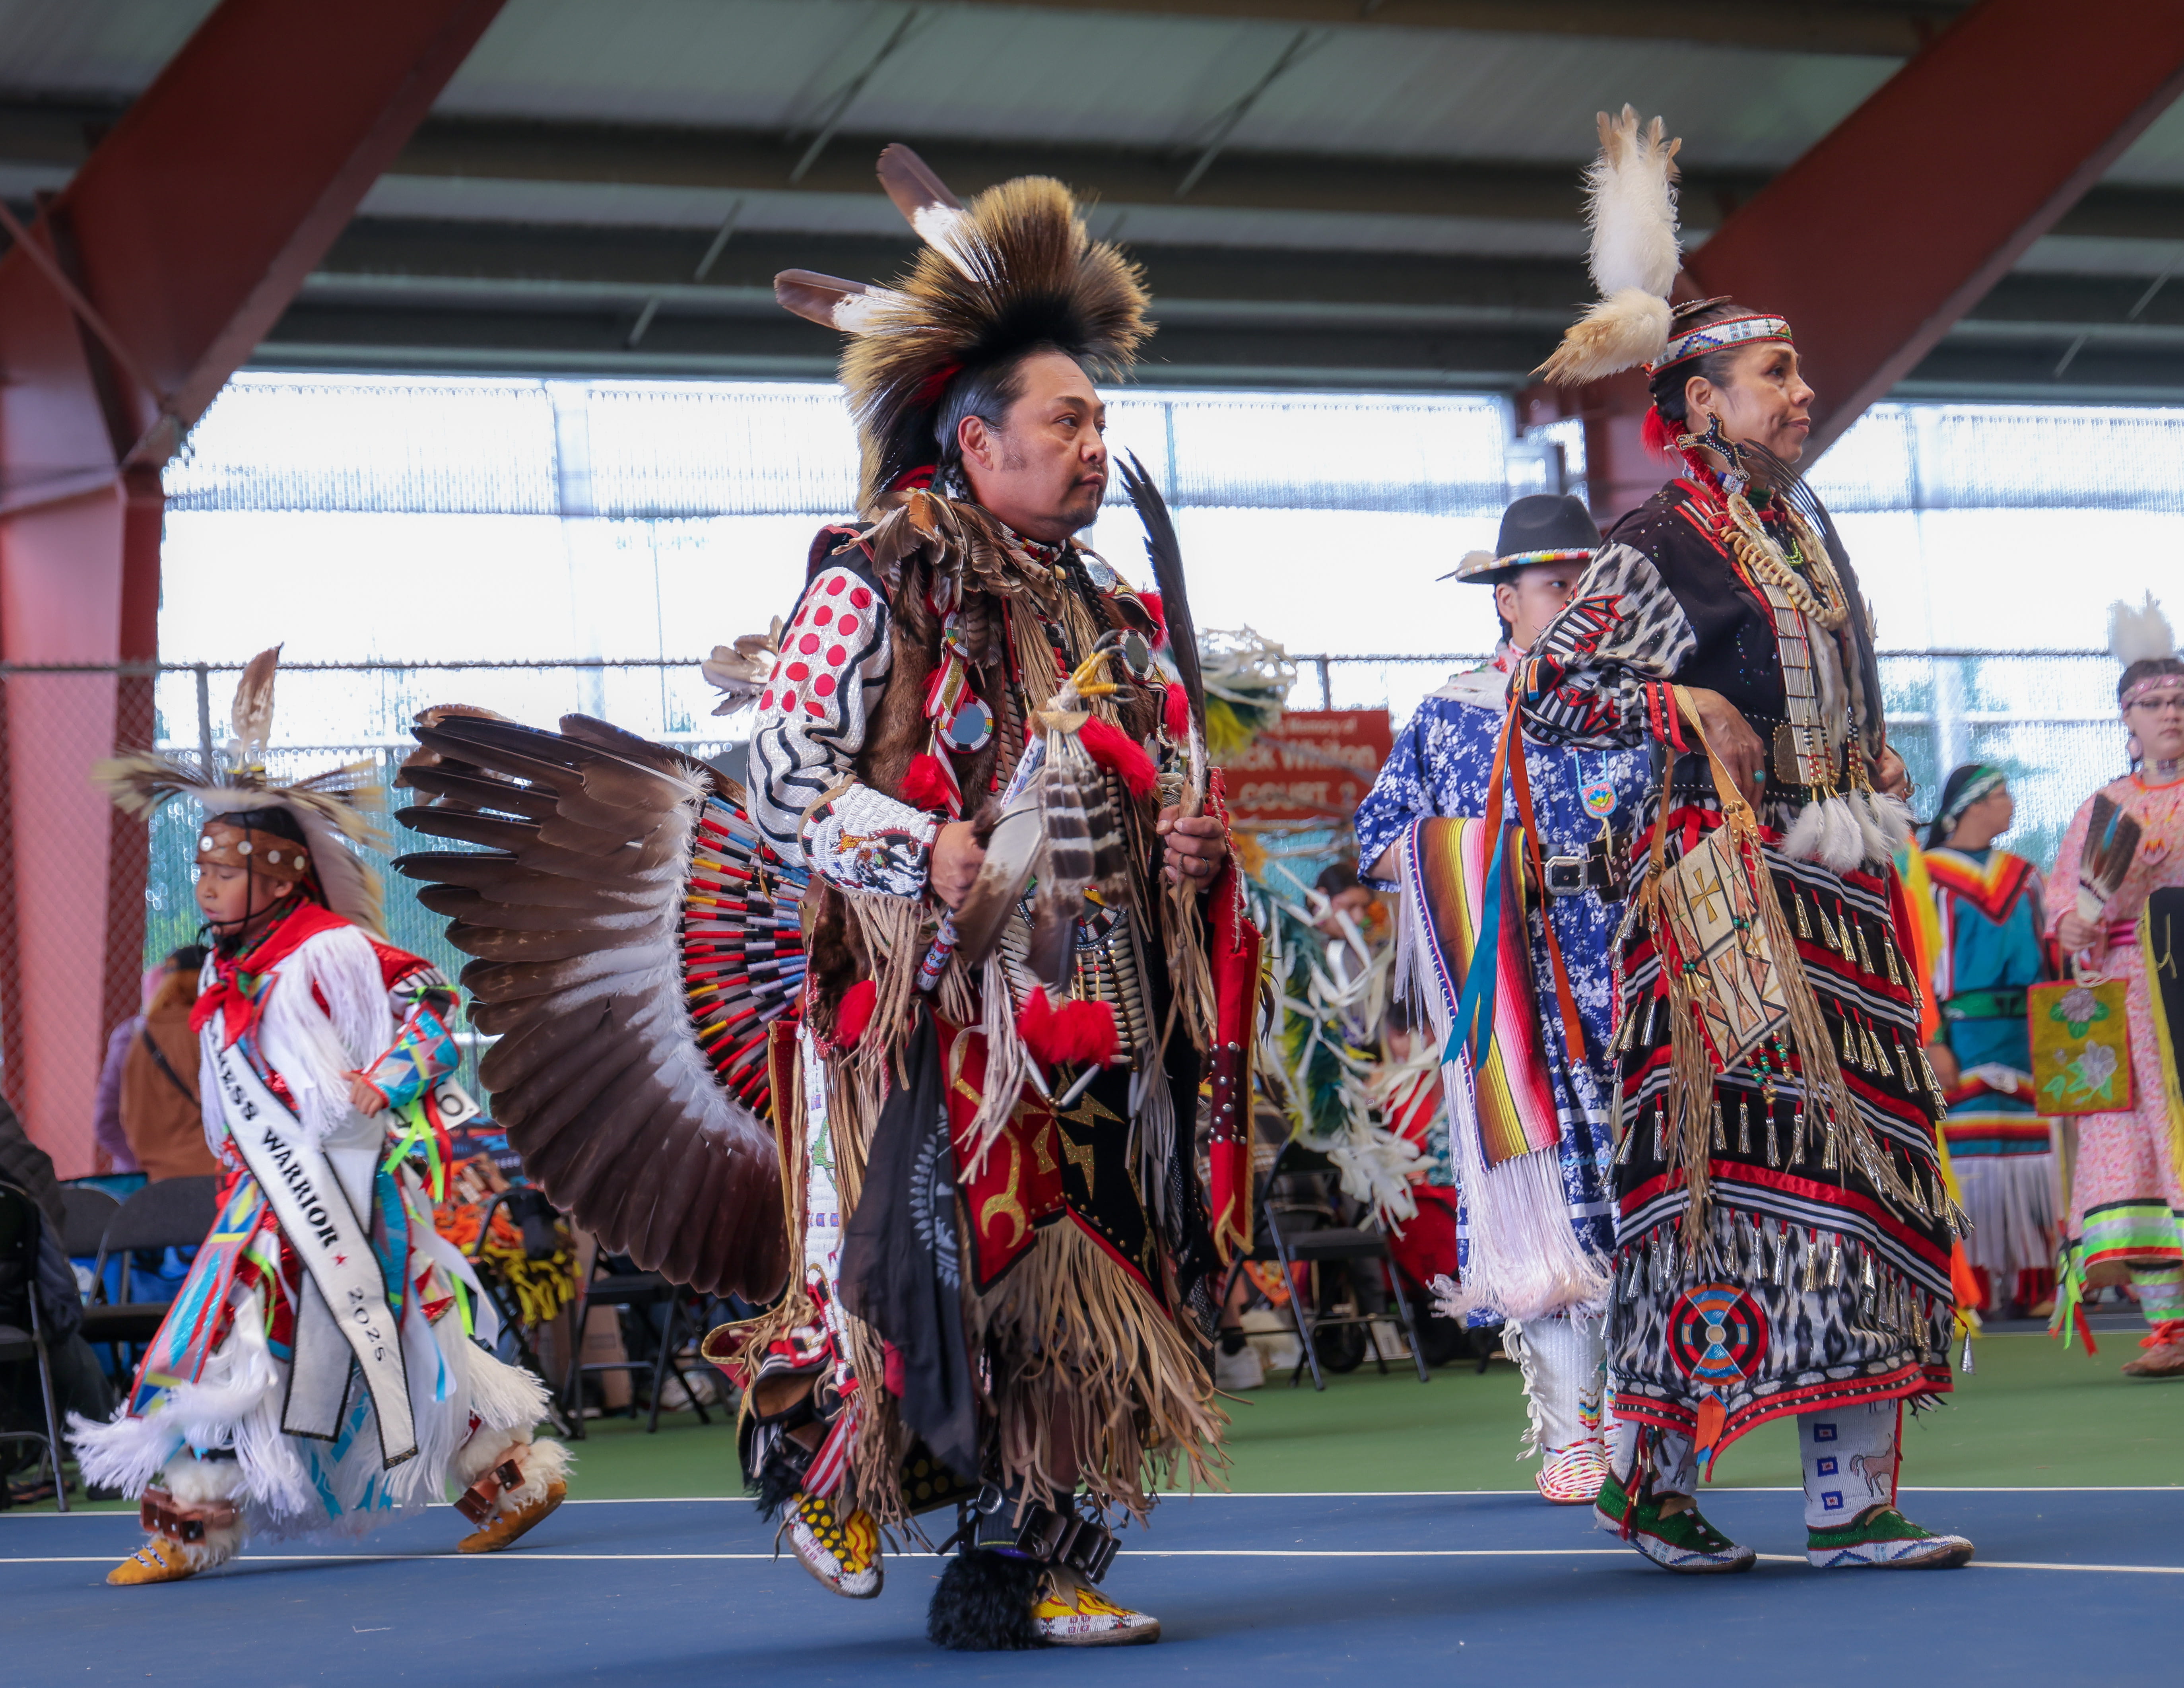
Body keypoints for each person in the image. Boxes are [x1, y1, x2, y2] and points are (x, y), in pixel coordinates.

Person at [728, 146, 1247, 1649]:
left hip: (1105, 1006)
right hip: (938, 1007)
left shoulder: (1110, 608)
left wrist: (1187, 857)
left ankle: (1040, 1556)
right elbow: (776, 782)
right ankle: (834, 1456)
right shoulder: (872, 579)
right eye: (1066, 419)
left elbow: (1152, 780)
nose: (1093, 446)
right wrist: (918, 846)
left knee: (1104, 1277)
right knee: (961, 1268)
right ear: (972, 438)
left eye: (1099, 421)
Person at [1513, 107, 1972, 1572]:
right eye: (1775, 374)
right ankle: (1651, 1476)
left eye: (1794, 371)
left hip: (1839, 901)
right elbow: (1550, 693)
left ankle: (1848, 1494)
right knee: (1725, 1192)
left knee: (1876, 1175)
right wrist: (1679, 695)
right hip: (1720, 912)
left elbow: (1822, 684)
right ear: (1698, 403)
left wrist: (1862, 747)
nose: (1802, 390)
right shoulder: (1659, 544)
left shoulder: (1809, 528)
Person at [70, 650, 569, 1583]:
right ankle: (198, 1520)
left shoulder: (332, 949)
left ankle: (502, 1480)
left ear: (279, 870)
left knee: (365, 1332)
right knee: (260, 1336)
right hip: (266, 1190)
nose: (206, 887)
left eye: (225, 871)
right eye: (202, 870)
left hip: (346, 1181)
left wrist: (387, 1079)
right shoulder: (225, 967)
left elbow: (431, 1000)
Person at [1353, 493, 1650, 1504]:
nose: (1576, 601)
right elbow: (1375, 840)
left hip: (1639, 989)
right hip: (1513, 1007)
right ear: (1507, 603)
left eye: (1591, 583)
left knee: (1641, 1208)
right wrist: (1476, 867)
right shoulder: (1454, 713)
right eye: (1556, 585)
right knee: (1544, 1213)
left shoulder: (1647, 704)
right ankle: (1570, 1424)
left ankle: (1635, 1417)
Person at [2048, 596, 2184, 1377]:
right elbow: (2068, 898)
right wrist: (2070, 921)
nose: (2170, 713)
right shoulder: (2105, 806)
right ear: (2126, 717)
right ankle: (2167, 1326)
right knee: (2134, 1150)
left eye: (2179, 701)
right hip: (2132, 998)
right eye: (2153, 703)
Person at [1906, 767, 2058, 1317]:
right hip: (1959, 1034)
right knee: (1967, 1159)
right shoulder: (1922, 877)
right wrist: (1934, 1039)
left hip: (2025, 1034)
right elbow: (1915, 966)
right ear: (1969, 807)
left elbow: (2053, 952)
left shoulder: (2025, 875)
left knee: (2030, 1158)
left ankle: (2030, 1282)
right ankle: (1972, 1286)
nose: (2010, 805)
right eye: (2000, 796)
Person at [115, 945, 218, 1182]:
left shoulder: (138, 1039)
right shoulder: (207, 1031)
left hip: (157, 1177)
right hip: (211, 1172)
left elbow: (119, 1116)